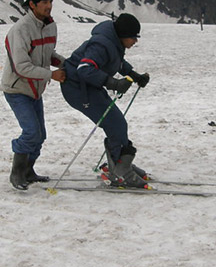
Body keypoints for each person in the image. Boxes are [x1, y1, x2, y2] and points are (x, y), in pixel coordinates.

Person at [61, 13, 151, 188]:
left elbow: (117, 61)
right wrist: (114, 83)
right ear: (123, 35)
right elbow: (84, 69)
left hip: (88, 86)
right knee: (115, 123)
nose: (135, 41)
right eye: (133, 37)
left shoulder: (112, 42)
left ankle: (119, 164)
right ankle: (119, 169)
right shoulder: (101, 44)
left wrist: (135, 76)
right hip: (77, 88)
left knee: (117, 123)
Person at [1, 0, 66, 190]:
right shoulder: (20, 30)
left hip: (36, 90)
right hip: (17, 89)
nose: (49, 6)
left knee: (40, 135)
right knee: (31, 132)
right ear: (32, 4)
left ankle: (28, 171)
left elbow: (47, 54)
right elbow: (21, 67)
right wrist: (51, 74)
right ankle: (17, 173)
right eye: (44, 2)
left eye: (50, 1)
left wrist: (64, 63)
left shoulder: (50, 26)